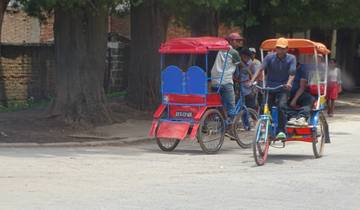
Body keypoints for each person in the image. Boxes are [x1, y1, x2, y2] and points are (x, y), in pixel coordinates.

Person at [250, 37, 296, 139]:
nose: (280, 50)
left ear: (287, 49)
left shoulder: (291, 58)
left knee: (281, 106)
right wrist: (252, 80)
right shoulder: (269, 57)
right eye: (278, 48)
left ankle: (281, 131)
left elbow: (292, 73)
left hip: (283, 87)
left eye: (283, 48)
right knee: (264, 107)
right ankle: (264, 127)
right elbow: (260, 68)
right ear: (276, 48)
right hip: (270, 87)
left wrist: (288, 83)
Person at [211, 32, 244, 123]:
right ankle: (231, 127)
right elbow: (241, 65)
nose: (239, 43)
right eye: (237, 41)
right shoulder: (233, 52)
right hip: (225, 81)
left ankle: (224, 120)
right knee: (231, 106)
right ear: (232, 41)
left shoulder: (220, 50)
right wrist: (251, 75)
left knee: (219, 103)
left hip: (215, 80)